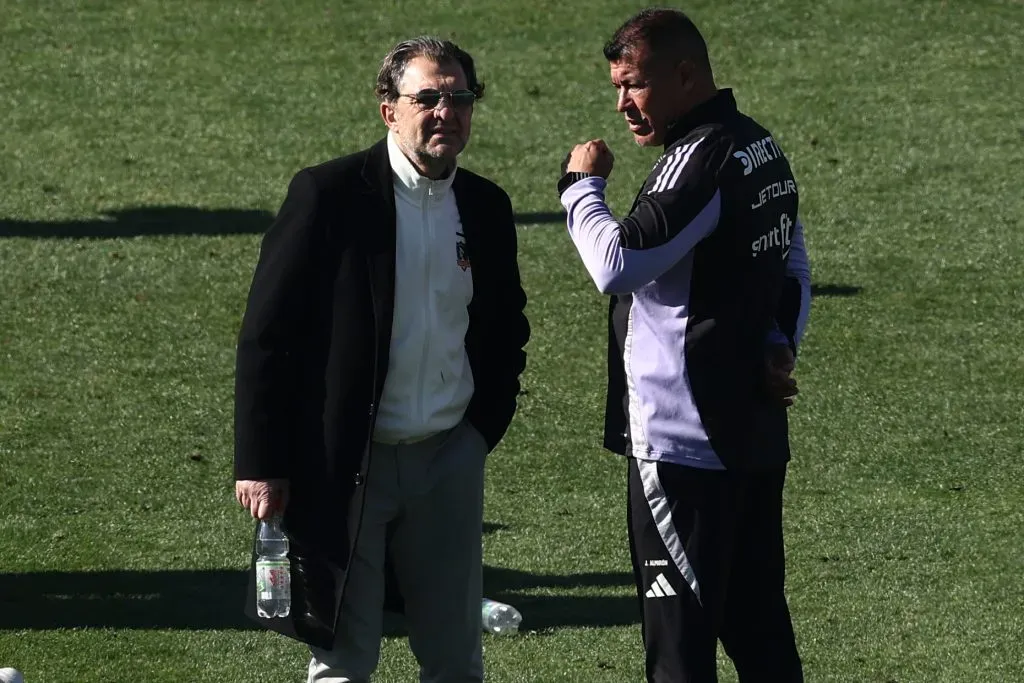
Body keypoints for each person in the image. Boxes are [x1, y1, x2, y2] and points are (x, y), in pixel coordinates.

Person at [233, 36, 529, 683]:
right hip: (344, 463)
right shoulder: (328, 195)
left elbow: (505, 331)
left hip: (448, 458)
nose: (446, 111)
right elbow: (266, 336)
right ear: (388, 109)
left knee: (455, 660)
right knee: (343, 659)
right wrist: (261, 463)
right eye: (428, 97)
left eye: (459, 97)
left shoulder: (485, 206)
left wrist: (478, 433)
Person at [557, 8, 810, 682]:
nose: (623, 106)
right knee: (761, 635)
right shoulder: (763, 148)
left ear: (685, 75)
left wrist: (580, 187)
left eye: (634, 85)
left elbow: (617, 264)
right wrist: (779, 341)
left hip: (681, 443)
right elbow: (793, 268)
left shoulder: (701, 159)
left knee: (679, 653)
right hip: (751, 434)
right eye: (617, 88)